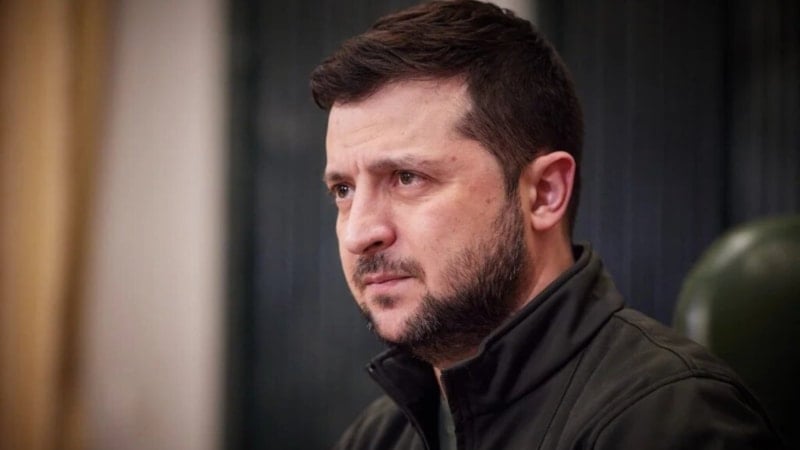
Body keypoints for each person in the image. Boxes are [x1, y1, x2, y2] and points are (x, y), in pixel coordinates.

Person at [310, 1, 784, 449]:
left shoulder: (667, 420)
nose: (358, 234)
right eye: (343, 190)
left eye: (407, 178)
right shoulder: (382, 434)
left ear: (544, 193)